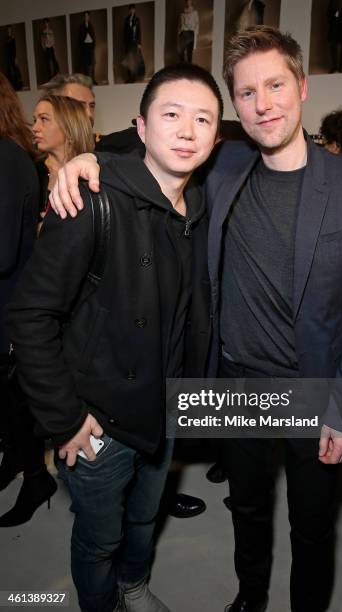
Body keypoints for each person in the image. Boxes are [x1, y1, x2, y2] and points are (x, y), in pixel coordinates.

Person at [48, 26, 342, 612]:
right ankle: (250, 596)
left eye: (276, 85)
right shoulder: (224, 163)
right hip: (233, 383)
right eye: (248, 92)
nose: (264, 103)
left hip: (314, 388)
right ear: (236, 106)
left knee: (311, 525)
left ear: (303, 86)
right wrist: (81, 159)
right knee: (248, 508)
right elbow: (148, 144)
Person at [7, 63, 222, 612]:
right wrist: (64, 419)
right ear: (141, 128)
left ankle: (133, 585)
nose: (186, 129)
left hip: (165, 410)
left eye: (203, 119)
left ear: (217, 137)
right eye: (170, 114)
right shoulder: (91, 199)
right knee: (99, 539)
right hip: (99, 425)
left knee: (145, 518)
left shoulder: (199, 204)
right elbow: (30, 315)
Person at [0, 72, 55, 528]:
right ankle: (18, 463)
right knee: (9, 404)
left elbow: (2, 252)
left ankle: (36, 476)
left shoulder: (8, 159)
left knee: (17, 403)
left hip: (9, 305)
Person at [33, 94, 95, 217]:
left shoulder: (92, 169)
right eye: (35, 120)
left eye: (43, 119)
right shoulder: (31, 170)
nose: (35, 128)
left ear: (69, 125)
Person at [123, 4, 145, 83]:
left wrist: (139, 43)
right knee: (129, 60)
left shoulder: (137, 19)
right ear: (129, 10)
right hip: (128, 43)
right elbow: (124, 32)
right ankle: (129, 77)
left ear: (134, 10)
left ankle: (134, 77)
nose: (132, 11)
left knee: (135, 60)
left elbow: (139, 32)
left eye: (133, 9)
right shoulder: (126, 19)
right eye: (131, 9)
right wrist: (125, 43)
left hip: (135, 42)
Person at [79, 11, 96, 83]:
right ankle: (86, 81)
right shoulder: (82, 26)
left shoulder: (91, 25)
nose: (86, 17)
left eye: (87, 16)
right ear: (84, 17)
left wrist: (93, 44)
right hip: (85, 47)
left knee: (92, 63)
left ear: (89, 17)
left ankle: (93, 79)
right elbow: (80, 37)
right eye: (85, 16)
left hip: (90, 46)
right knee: (85, 64)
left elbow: (93, 36)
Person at [5, 25, 23, 91]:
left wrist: (15, 57)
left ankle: (19, 84)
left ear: (11, 30)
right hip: (8, 56)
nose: (9, 31)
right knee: (8, 70)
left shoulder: (13, 38)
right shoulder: (7, 39)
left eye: (10, 30)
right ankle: (10, 86)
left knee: (15, 69)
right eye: (8, 30)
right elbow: (6, 49)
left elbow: (14, 48)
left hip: (13, 56)